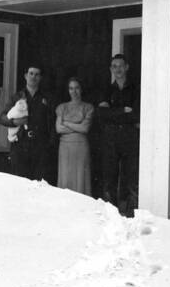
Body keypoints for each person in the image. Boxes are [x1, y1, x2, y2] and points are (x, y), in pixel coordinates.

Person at [97, 53, 140, 214]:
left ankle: (130, 212)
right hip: (110, 138)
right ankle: (110, 212)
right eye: (114, 66)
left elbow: (136, 114)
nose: (118, 69)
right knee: (109, 175)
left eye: (120, 66)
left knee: (130, 175)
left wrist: (112, 112)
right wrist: (123, 111)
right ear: (111, 69)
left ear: (126, 67)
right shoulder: (107, 90)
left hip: (129, 137)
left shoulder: (135, 89)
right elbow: (101, 114)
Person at [0, 64, 55, 181]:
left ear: (40, 78)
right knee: (20, 181)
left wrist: (49, 143)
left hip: (40, 146)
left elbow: (52, 122)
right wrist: (15, 121)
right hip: (21, 144)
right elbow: (2, 118)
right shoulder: (17, 97)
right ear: (25, 76)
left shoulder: (46, 98)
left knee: (39, 183)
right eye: (31, 73)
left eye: (37, 74)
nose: (33, 77)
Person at [55, 77, 94, 195]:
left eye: (77, 88)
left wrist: (66, 123)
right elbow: (58, 129)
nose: (74, 91)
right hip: (65, 147)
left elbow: (84, 128)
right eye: (71, 88)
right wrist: (77, 126)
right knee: (66, 178)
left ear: (81, 89)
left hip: (81, 146)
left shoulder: (88, 107)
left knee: (81, 178)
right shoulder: (61, 107)